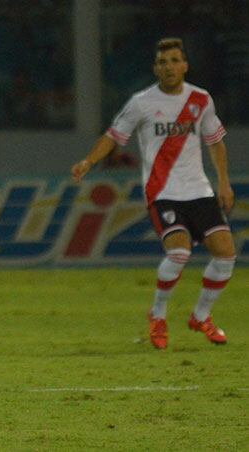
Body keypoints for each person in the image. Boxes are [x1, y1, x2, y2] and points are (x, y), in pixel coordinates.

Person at [71, 37, 236, 350]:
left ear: (185, 65)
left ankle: (201, 316)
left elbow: (215, 141)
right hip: (162, 193)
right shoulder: (141, 102)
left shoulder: (201, 99)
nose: (169, 67)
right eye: (162, 62)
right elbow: (113, 136)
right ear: (155, 68)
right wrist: (88, 161)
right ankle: (158, 315)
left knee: (226, 254)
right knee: (179, 252)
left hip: (199, 191)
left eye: (175, 60)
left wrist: (224, 182)